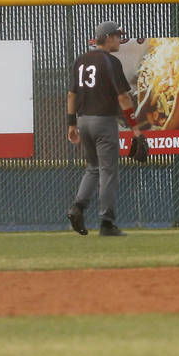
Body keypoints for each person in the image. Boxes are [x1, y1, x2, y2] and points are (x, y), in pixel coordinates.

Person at [66, 20, 144, 237]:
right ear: (108, 37)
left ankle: (77, 207)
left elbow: (71, 95)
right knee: (108, 171)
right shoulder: (110, 61)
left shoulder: (80, 61)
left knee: (93, 167)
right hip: (103, 121)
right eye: (118, 36)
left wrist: (71, 124)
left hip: (83, 121)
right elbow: (123, 97)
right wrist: (135, 128)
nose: (120, 39)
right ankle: (107, 223)